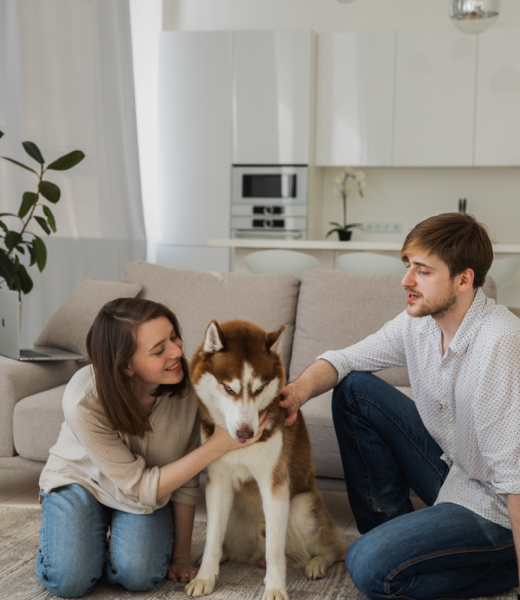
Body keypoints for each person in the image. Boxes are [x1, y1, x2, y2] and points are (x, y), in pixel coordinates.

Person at [280, 213, 520, 600]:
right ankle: (396, 537)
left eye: (422, 271)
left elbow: (514, 479)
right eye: (408, 266)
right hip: (459, 473)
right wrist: (296, 392)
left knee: (367, 567)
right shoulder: (420, 323)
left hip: (498, 506)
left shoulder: (500, 342)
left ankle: (504, 568)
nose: (406, 281)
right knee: (355, 389)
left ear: (464, 280)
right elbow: (344, 360)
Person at [35, 298, 268, 598]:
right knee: (69, 580)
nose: (177, 351)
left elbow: (186, 479)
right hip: (82, 484)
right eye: (159, 350)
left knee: (140, 574)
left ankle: (104, 535)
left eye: (174, 336)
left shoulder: (189, 386)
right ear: (126, 366)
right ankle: (79, 531)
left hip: (148, 495)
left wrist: (181, 557)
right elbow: (138, 484)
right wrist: (218, 445)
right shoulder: (82, 400)